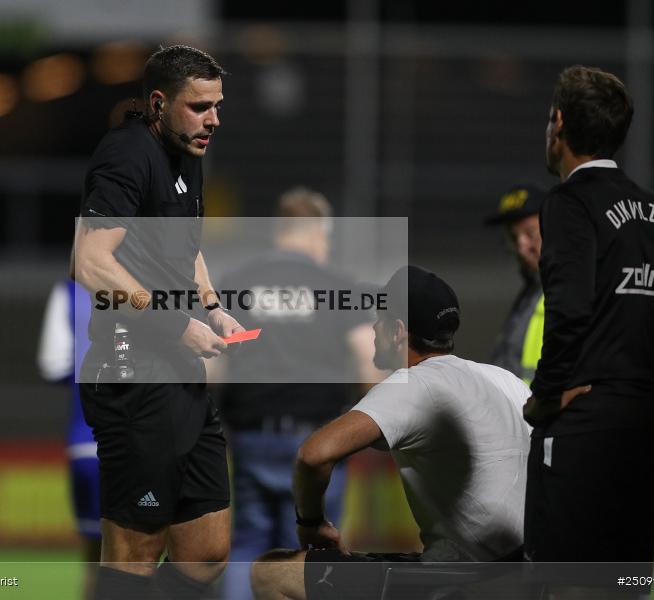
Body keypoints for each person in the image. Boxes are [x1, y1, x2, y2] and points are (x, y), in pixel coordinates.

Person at [72, 45, 244, 600]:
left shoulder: (187, 152)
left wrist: (212, 306)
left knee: (206, 554)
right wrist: (176, 324)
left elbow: (185, 249)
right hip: (133, 375)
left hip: (180, 373)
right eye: (199, 107)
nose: (213, 119)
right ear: (158, 103)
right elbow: (89, 263)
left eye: (217, 106)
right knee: (135, 555)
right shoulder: (126, 154)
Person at [250, 266, 531, 600]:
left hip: (470, 576)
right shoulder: (504, 379)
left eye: (380, 318)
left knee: (271, 572)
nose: (373, 327)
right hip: (530, 567)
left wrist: (311, 523)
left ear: (398, 331)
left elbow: (314, 455)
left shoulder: (413, 383)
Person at [524, 65, 654, 571]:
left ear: (558, 122)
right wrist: (650, 392)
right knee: (626, 581)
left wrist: (547, 394)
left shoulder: (569, 203)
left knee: (562, 580)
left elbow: (570, 308)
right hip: (641, 430)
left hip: (581, 429)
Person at [217, 187, 384, 600]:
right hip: (319, 441)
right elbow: (369, 364)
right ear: (318, 232)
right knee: (313, 557)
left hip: (252, 436)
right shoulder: (337, 287)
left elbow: (210, 368)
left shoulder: (236, 284)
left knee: (249, 546)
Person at [37, 279, 101, 599]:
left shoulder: (71, 292)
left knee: (97, 558)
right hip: (152, 442)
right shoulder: (162, 282)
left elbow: (53, 364)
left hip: (87, 440)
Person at [484, 183, 546, 384]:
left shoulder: (573, 293)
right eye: (513, 237)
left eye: (531, 234)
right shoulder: (530, 292)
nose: (521, 247)